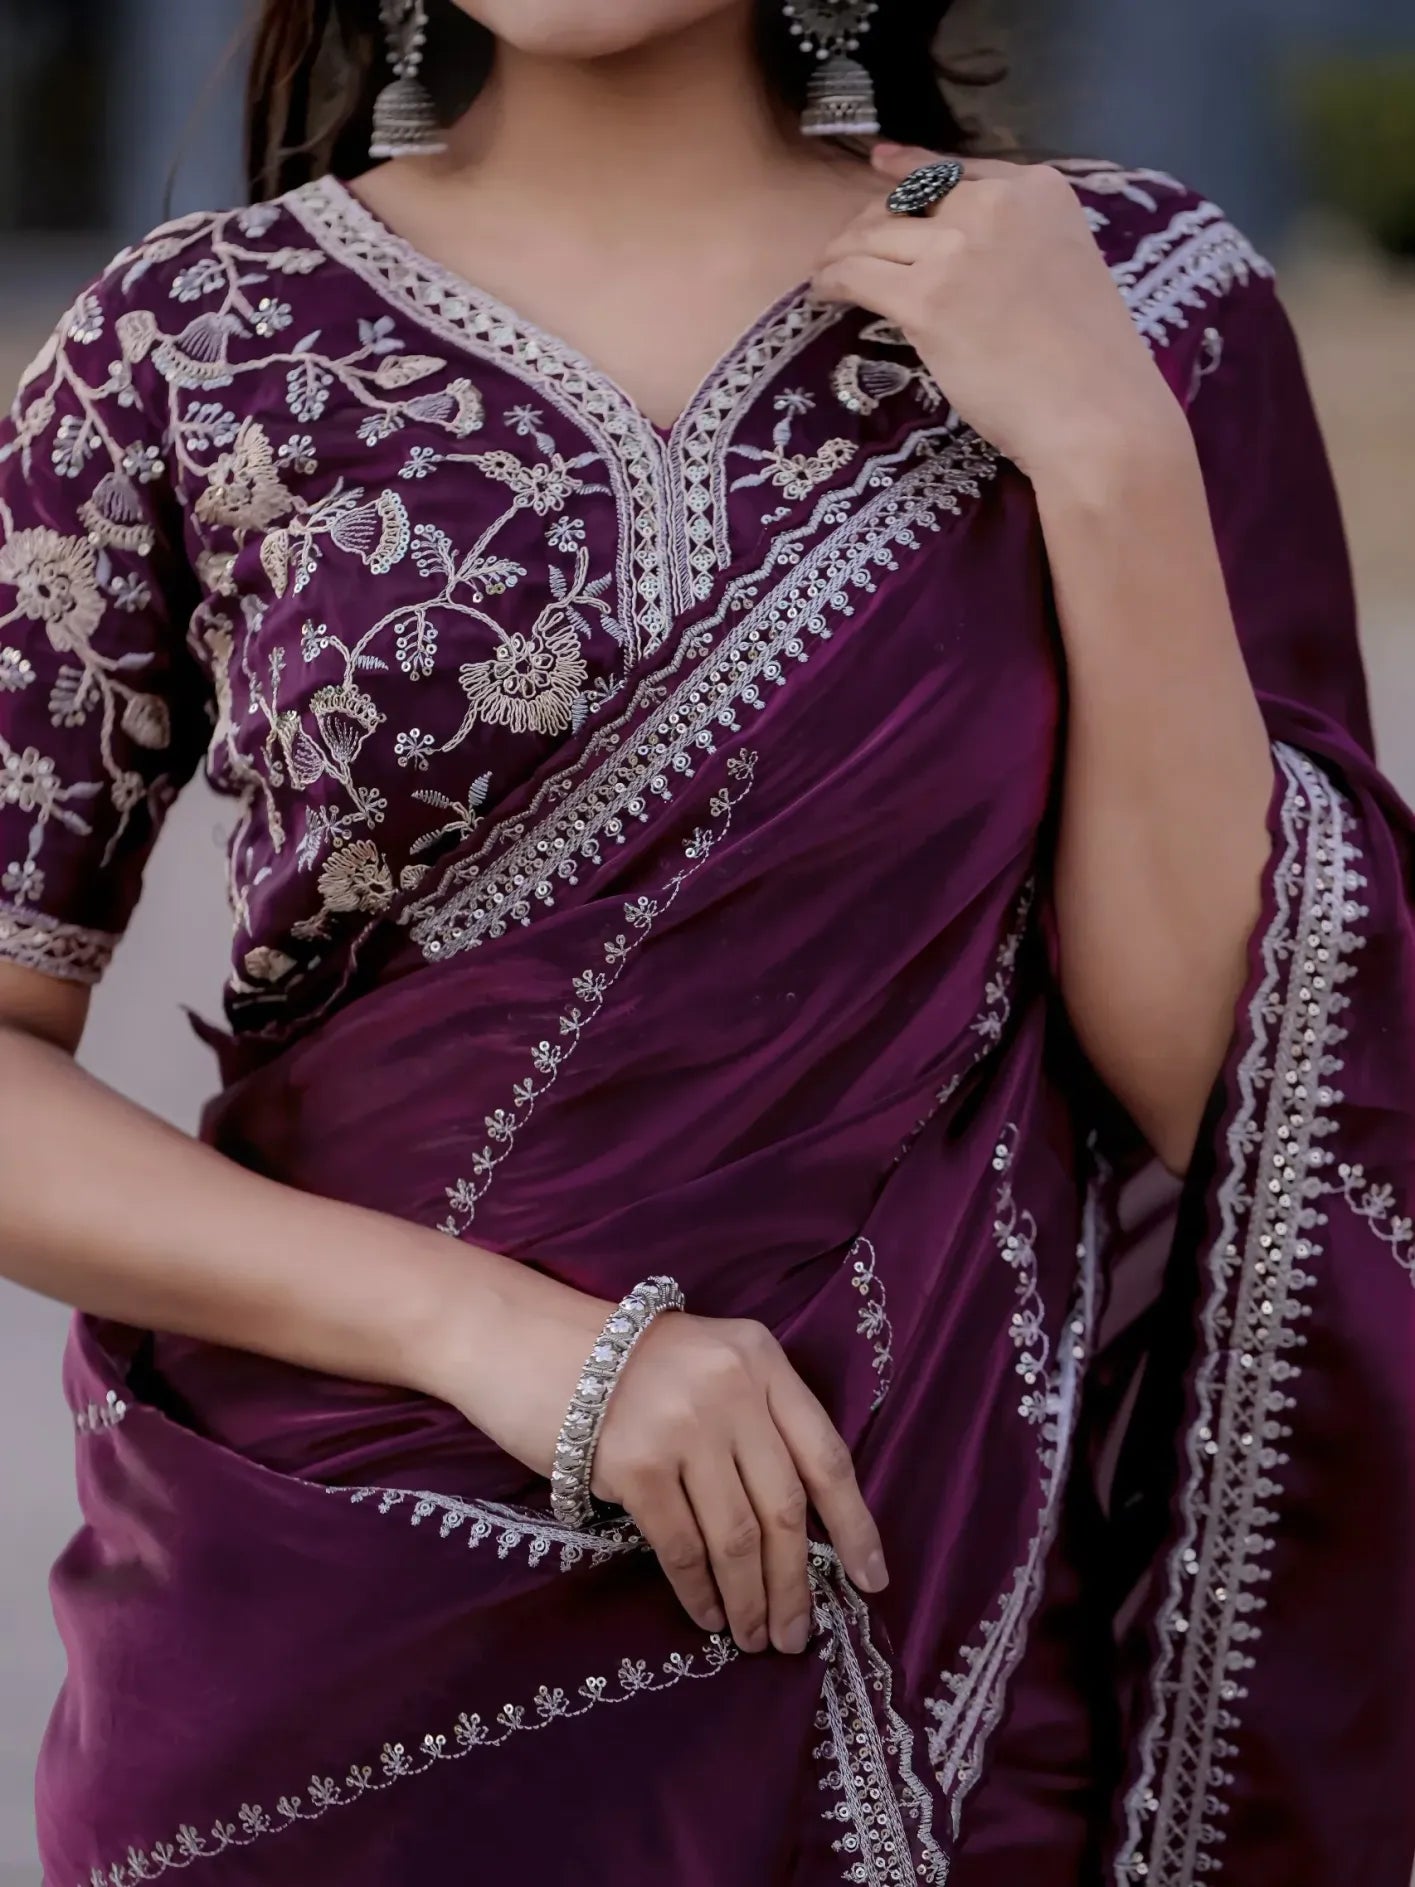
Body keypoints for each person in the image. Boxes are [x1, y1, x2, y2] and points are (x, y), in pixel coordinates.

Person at [0, 1, 1410, 1881]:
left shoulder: (1134, 298)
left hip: (925, 1636)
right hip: (330, 1655)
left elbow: (1212, 1085)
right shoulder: (185, 345)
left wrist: (1105, 454)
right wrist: (501, 1337)